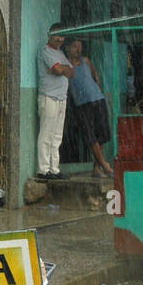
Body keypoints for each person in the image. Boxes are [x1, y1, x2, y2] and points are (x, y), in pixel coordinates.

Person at [65, 38, 113, 177]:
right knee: (90, 136)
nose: (78, 50)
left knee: (101, 135)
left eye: (80, 46)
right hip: (82, 104)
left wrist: (98, 85)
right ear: (67, 48)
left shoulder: (86, 60)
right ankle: (104, 164)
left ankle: (96, 168)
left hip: (98, 99)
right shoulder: (66, 65)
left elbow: (95, 73)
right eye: (74, 46)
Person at [36, 23, 73, 181]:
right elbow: (59, 71)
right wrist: (61, 69)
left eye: (62, 36)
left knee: (57, 135)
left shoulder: (60, 54)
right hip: (48, 97)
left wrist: (61, 68)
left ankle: (54, 169)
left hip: (61, 98)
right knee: (46, 134)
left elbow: (71, 72)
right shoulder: (45, 51)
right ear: (49, 35)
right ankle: (43, 170)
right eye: (57, 35)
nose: (59, 39)